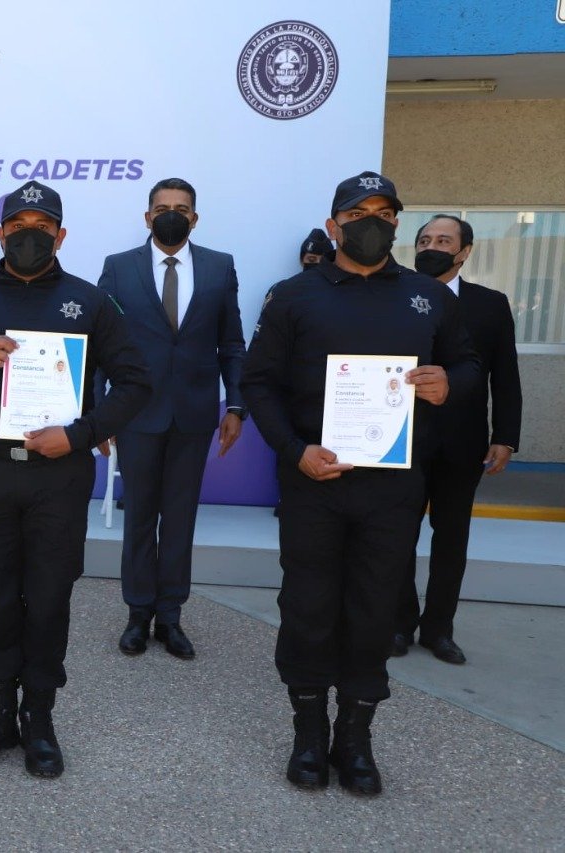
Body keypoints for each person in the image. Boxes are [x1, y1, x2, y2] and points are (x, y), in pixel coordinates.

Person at [241, 171, 479, 796]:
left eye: (383, 212)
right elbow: (258, 383)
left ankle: (356, 736)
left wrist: (449, 382)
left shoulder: (429, 297)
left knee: (375, 609)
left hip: (393, 488)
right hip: (313, 481)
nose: (371, 222)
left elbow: (468, 364)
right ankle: (308, 732)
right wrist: (294, 451)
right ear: (334, 225)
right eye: (357, 212)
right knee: (307, 606)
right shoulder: (293, 296)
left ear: (396, 223)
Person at [0, 181, 151, 778]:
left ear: (61, 236)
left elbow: (136, 381)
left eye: (42, 227)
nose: (29, 236)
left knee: (48, 599)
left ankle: (39, 716)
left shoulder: (89, 302)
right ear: (0, 233)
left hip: (58, 477)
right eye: (18, 227)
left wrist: (83, 433)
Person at [97, 177, 247, 661]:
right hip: (136, 413)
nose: (171, 215)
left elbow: (232, 343)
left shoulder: (220, 266)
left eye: (181, 209)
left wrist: (236, 406)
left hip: (194, 414)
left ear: (194, 219)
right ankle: (137, 614)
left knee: (180, 519)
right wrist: (98, 413)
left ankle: (171, 617)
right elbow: (102, 343)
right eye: (162, 207)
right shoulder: (118, 267)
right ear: (147, 216)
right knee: (140, 517)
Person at [393, 214, 522, 664]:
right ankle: (398, 624)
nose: (432, 247)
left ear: (464, 252)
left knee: (451, 540)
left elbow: (505, 374)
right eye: (424, 239)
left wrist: (506, 436)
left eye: (444, 241)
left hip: (463, 443)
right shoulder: (394, 295)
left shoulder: (491, 304)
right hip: (402, 440)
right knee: (398, 536)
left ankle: (439, 630)